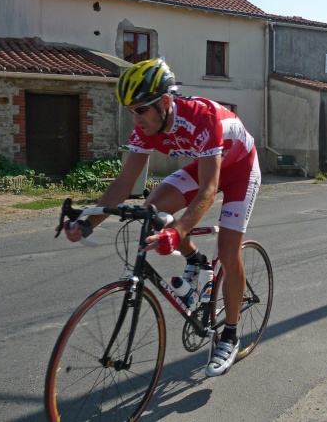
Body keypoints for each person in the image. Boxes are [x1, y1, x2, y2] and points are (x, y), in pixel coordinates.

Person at [62, 58, 261, 377]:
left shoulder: (202, 118)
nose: (136, 118)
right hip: (206, 165)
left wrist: (179, 230)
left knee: (227, 249)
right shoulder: (145, 128)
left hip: (241, 170)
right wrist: (88, 220)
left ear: (165, 102)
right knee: (149, 212)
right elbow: (125, 182)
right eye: (131, 110)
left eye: (140, 109)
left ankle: (230, 335)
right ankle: (196, 260)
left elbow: (208, 191)